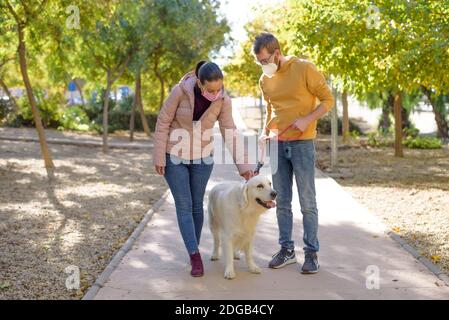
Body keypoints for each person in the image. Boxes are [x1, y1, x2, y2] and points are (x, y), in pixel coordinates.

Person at [153, 61, 254, 277]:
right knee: (184, 205)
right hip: (174, 155)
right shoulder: (180, 91)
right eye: (211, 90)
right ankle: (194, 255)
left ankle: (193, 247)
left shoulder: (223, 100)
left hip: (202, 157)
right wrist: (159, 155)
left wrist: (245, 167)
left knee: (197, 206)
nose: (215, 94)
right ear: (199, 83)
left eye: (219, 89)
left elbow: (230, 131)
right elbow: (163, 122)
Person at [253, 32, 335, 274]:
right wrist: (264, 132)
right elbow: (271, 110)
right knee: (280, 202)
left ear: (277, 53)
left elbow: (327, 100)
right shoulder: (264, 80)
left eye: (265, 60)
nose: (263, 66)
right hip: (277, 144)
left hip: (302, 144)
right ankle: (286, 250)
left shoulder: (304, 68)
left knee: (307, 203)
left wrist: (307, 119)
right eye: (259, 62)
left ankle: (311, 253)